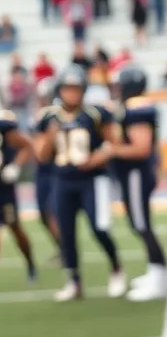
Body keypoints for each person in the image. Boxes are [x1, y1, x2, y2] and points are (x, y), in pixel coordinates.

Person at [35, 64, 124, 302]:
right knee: (66, 233)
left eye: (75, 89)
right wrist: (51, 136)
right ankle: (74, 281)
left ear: (83, 90)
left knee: (99, 228)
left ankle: (116, 267)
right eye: (67, 89)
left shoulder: (95, 114)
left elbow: (112, 143)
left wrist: (98, 157)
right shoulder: (49, 117)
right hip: (63, 180)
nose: (71, 94)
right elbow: (41, 155)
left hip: (92, 180)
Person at [108, 65, 167, 301]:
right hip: (132, 174)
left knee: (141, 224)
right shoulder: (132, 106)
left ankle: (159, 275)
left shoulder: (137, 107)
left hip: (136, 173)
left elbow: (141, 148)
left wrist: (111, 149)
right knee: (139, 224)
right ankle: (158, 272)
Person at [0, 106, 37, 282]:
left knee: (14, 226)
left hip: (3, 187)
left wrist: (15, 165)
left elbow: (27, 145)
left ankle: (30, 263)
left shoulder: (4, 123)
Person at [30, 78, 61, 261]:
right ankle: (61, 247)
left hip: (52, 170)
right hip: (44, 171)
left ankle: (65, 249)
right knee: (44, 214)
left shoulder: (52, 116)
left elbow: (42, 152)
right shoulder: (45, 115)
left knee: (51, 212)